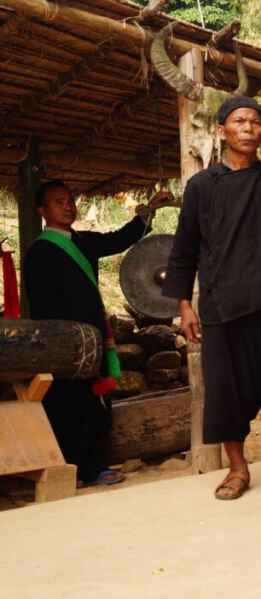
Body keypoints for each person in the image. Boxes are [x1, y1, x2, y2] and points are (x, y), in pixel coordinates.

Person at [162, 96, 261, 500]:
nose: (249, 128)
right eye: (239, 121)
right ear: (222, 132)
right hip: (222, 304)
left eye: (255, 122)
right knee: (225, 389)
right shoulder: (201, 188)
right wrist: (185, 304)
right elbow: (185, 248)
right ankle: (238, 469)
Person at [25, 180, 172, 489]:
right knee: (69, 405)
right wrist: (67, 341)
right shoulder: (40, 251)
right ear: (42, 210)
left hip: (93, 340)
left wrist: (150, 212)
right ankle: (71, 468)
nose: (67, 206)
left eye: (69, 200)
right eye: (58, 202)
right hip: (66, 344)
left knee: (97, 402)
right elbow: (43, 304)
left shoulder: (81, 241)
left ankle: (94, 466)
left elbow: (119, 240)